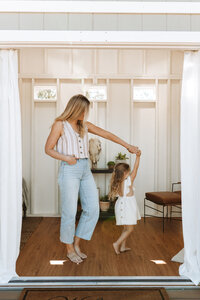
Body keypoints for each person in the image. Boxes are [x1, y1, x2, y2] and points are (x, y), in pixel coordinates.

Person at [45, 94, 139, 264]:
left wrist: (128, 146)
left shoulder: (84, 126)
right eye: (83, 111)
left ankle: (77, 244)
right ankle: (69, 249)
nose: (84, 115)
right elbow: (48, 149)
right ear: (75, 109)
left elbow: (107, 134)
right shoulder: (60, 125)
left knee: (93, 209)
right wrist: (66, 158)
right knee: (70, 211)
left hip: (84, 169)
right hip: (69, 170)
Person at [108, 150, 141, 255]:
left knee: (126, 228)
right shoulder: (128, 180)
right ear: (125, 173)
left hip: (121, 206)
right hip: (128, 207)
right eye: (129, 171)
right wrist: (138, 157)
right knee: (129, 229)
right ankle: (117, 243)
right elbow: (136, 168)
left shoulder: (116, 182)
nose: (131, 172)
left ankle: (122, 246)